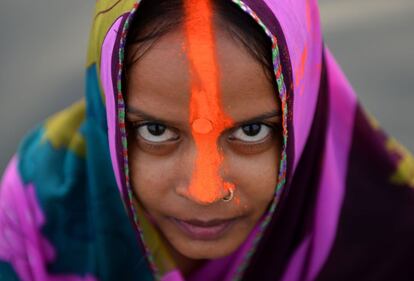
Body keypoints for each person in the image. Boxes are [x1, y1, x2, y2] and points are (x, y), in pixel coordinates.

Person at [1, 0, 414, 280]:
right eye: (155, 130)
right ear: (109, 112)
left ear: (304, 111)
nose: (204, 192)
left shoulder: (392, 238)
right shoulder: (39, 210)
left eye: (251, 131)